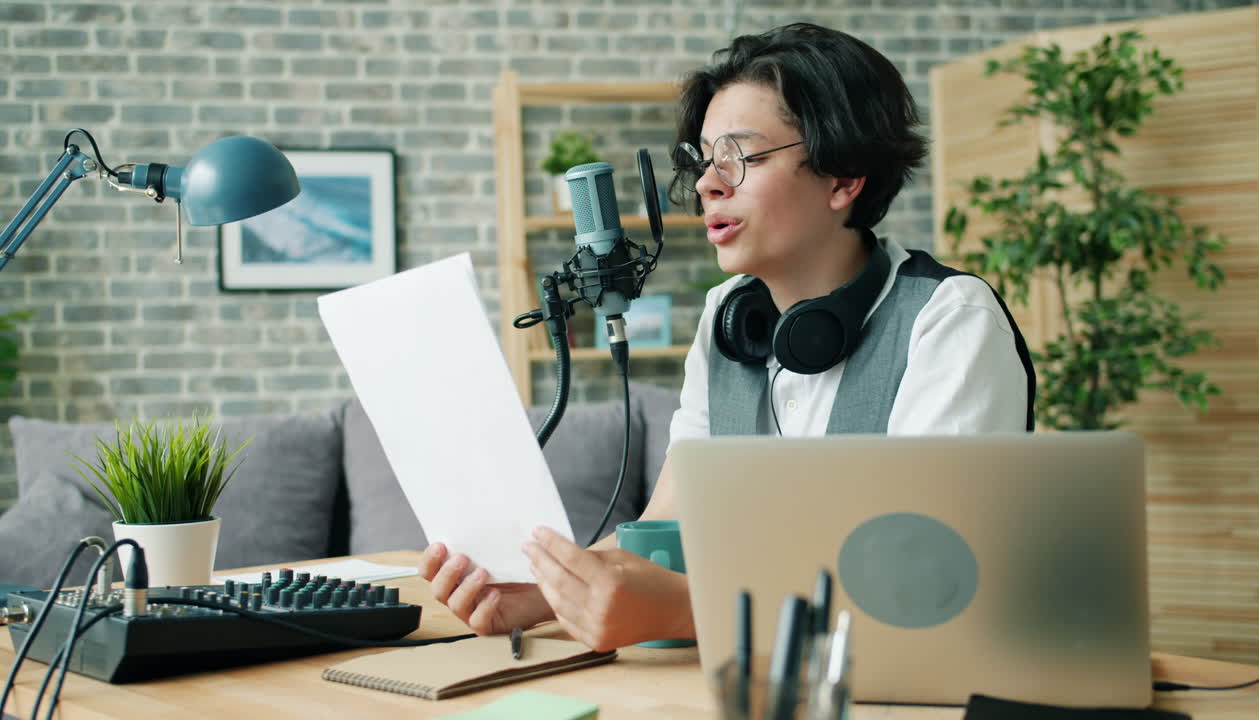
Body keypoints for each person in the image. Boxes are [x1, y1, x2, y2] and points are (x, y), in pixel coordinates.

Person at [419, 23, 1034, 652]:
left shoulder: (949, 321)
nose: (709, 184)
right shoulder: (727, 319)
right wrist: (546, 591)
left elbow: (933, 587)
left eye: (739, 157)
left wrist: (691, 613)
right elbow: (666, 524)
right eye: (705, 160)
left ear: (843, 177)